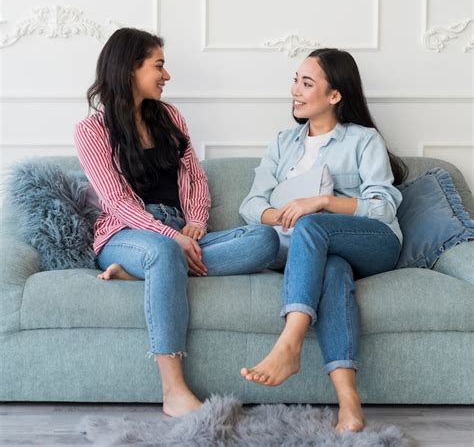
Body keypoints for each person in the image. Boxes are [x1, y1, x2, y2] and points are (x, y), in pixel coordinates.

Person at [74, 28, 279, 417]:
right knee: (164, 253)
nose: (166, 76)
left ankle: (145, 276)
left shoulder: (170, 117)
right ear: (130, 68)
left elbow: (193, 177)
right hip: (125, 234)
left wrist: (197, 224)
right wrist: (170, 237)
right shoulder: (91, 130)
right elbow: (116, 201)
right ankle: (174, 390)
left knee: (264, 240)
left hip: (177, 234)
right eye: (159, 66)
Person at [239, 48, 407, 433]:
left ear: (334, 96)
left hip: (375, 244)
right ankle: (349, 405)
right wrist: (278, 215)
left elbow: (383, 207)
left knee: (314, 225)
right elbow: (251, 204)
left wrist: (323, 202)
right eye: (295, 80)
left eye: (307, 83)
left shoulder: (363, 140)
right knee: (332, 270)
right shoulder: (283, 142)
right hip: (317, 252)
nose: (295, 90)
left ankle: (290, 342)